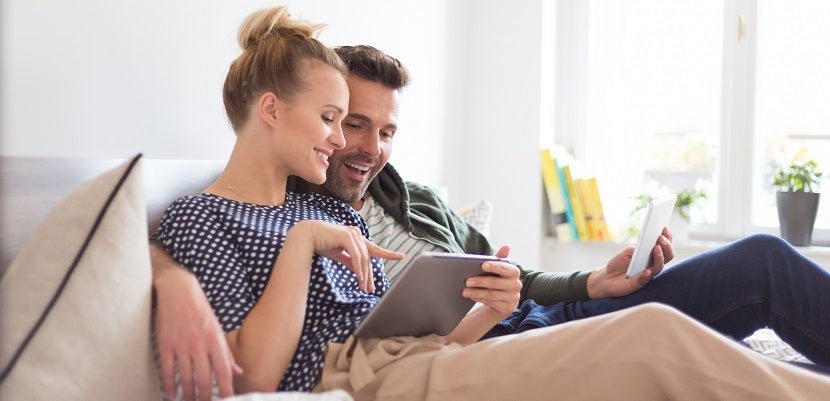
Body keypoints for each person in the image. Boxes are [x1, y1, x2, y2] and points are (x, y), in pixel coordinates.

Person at [154, 5, 830, 400]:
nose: (345, 141)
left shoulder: (340, 210)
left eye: (373, 127)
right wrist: (173, 272)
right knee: (657, 332)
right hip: (385, 375)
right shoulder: (231, 215)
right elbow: (260, 375)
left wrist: (493, 307)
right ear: (274, 111)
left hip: (450, 347)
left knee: (689, 316)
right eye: (337, 120)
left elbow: (416, 340)